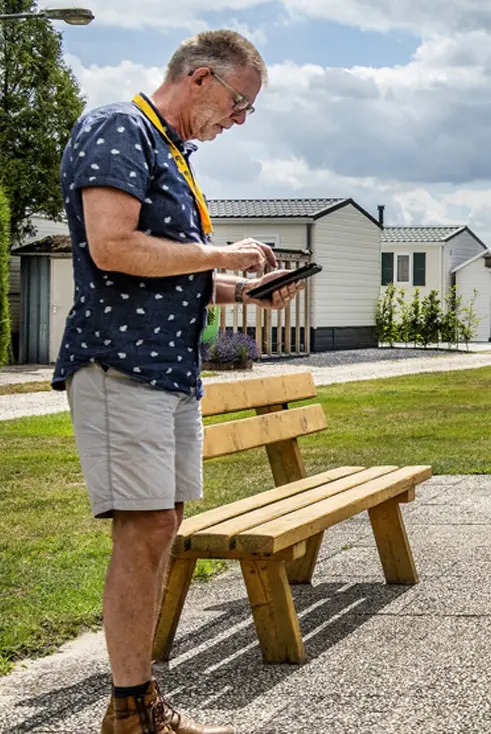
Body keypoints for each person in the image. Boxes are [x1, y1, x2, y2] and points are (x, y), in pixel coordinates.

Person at [51, 30, 306, 733]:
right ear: (201, 78)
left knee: (163, 524)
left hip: (169, 370)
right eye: (240, 102)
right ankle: (131, 708)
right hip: (121, 364)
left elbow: (167, 269)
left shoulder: (170, 149)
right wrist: (225, 250)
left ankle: (140, 700)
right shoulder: (117, 127)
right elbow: (112, 245)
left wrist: (240, 292)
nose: (240, 119)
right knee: (144, 529)